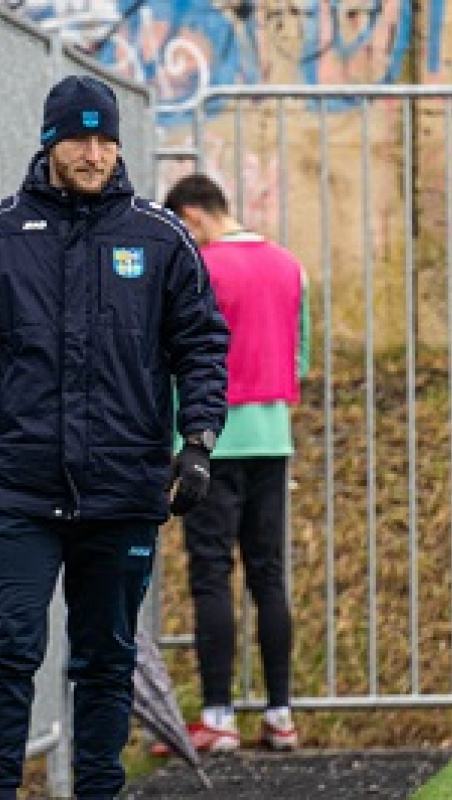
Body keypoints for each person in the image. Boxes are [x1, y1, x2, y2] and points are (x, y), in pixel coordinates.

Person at [0, 75, 229, 800]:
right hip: (19, 489)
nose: (94, 153)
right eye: (79, 138)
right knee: (10, 648)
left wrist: (197, 440)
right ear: (50, 142)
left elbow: (201, 343)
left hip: (124, 489)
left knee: (105, 659)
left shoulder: (159, 236)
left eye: (106, 139)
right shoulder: (5, 233)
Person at [162, 173, 310, 752]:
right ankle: (281, 714)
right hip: (273, 438)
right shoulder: (288, 265)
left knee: (210, 573)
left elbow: (180, 355)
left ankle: (219, 716)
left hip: (212, 441)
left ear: (192, 217)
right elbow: (301, 355)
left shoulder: (201, 270)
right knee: (268, 575)